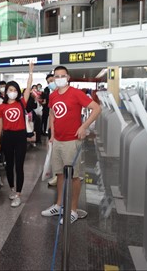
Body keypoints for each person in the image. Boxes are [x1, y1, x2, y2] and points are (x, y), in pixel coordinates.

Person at [41, 66, 101, 224]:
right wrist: (52, 135)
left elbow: (96, 108)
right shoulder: (53, 95)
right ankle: (59, 205)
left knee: (74, 176)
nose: (59, 78)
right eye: (56, 76)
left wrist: (83, 126)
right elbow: (52, 115)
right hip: (58, 141)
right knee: (59, 174)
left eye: (62, 75)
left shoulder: (76, 93)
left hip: (72, 140)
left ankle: (73, 209)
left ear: (67, 77)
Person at [0, 61, 33, 207]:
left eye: (15, 89)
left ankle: (18, 193)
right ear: (6, 91)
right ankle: (12, 189)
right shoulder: (2, 106)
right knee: (8, 165)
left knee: (19, 165)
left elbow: (29, 88)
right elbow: (0, 123)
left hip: (20, 137)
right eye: (10, 89)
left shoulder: (21, 102)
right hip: (7, 137)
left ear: (17, 91)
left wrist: (30, 73)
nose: (12, 91)